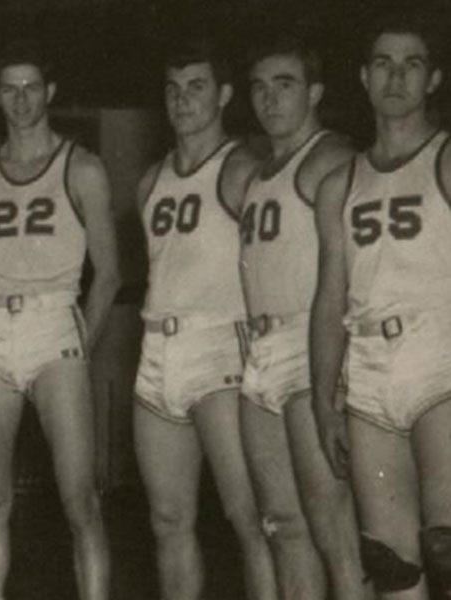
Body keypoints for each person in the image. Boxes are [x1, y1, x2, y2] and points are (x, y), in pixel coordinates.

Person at [0, 41, 118, 600]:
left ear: (49, 93)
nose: (21, 99)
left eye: (31, 87)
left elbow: (111, 274)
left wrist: (76, 344)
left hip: (57, 326)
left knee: (80, 500)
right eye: (10, 88)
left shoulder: (83, 168)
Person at [130, 40, 275, 600]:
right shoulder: (149, 181)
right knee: (168, 521)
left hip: (222, 349)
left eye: (196, 87)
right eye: (173, 88)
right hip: (158, 351)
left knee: (251, 518)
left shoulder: (242, 170)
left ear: (224, 95)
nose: (182, 100)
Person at [311, 17, 449, 599]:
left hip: (439, 354)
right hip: (368, 367)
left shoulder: (444, 158)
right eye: (384, 64)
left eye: (411, 63)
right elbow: (329, 297)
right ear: (364, 78)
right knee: (391, 566)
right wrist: (322, 396)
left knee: (447, 547)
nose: (396, 76)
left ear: (434, 78)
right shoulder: (339, 185)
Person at [239, 37, 369, 600]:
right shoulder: (259, 171)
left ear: (314, 91)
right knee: (283, 528)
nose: (269, 99)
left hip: (309, 345)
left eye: (284, 84)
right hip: (260, 354)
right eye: (259, 87)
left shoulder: (331, 159)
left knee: (333, 531)